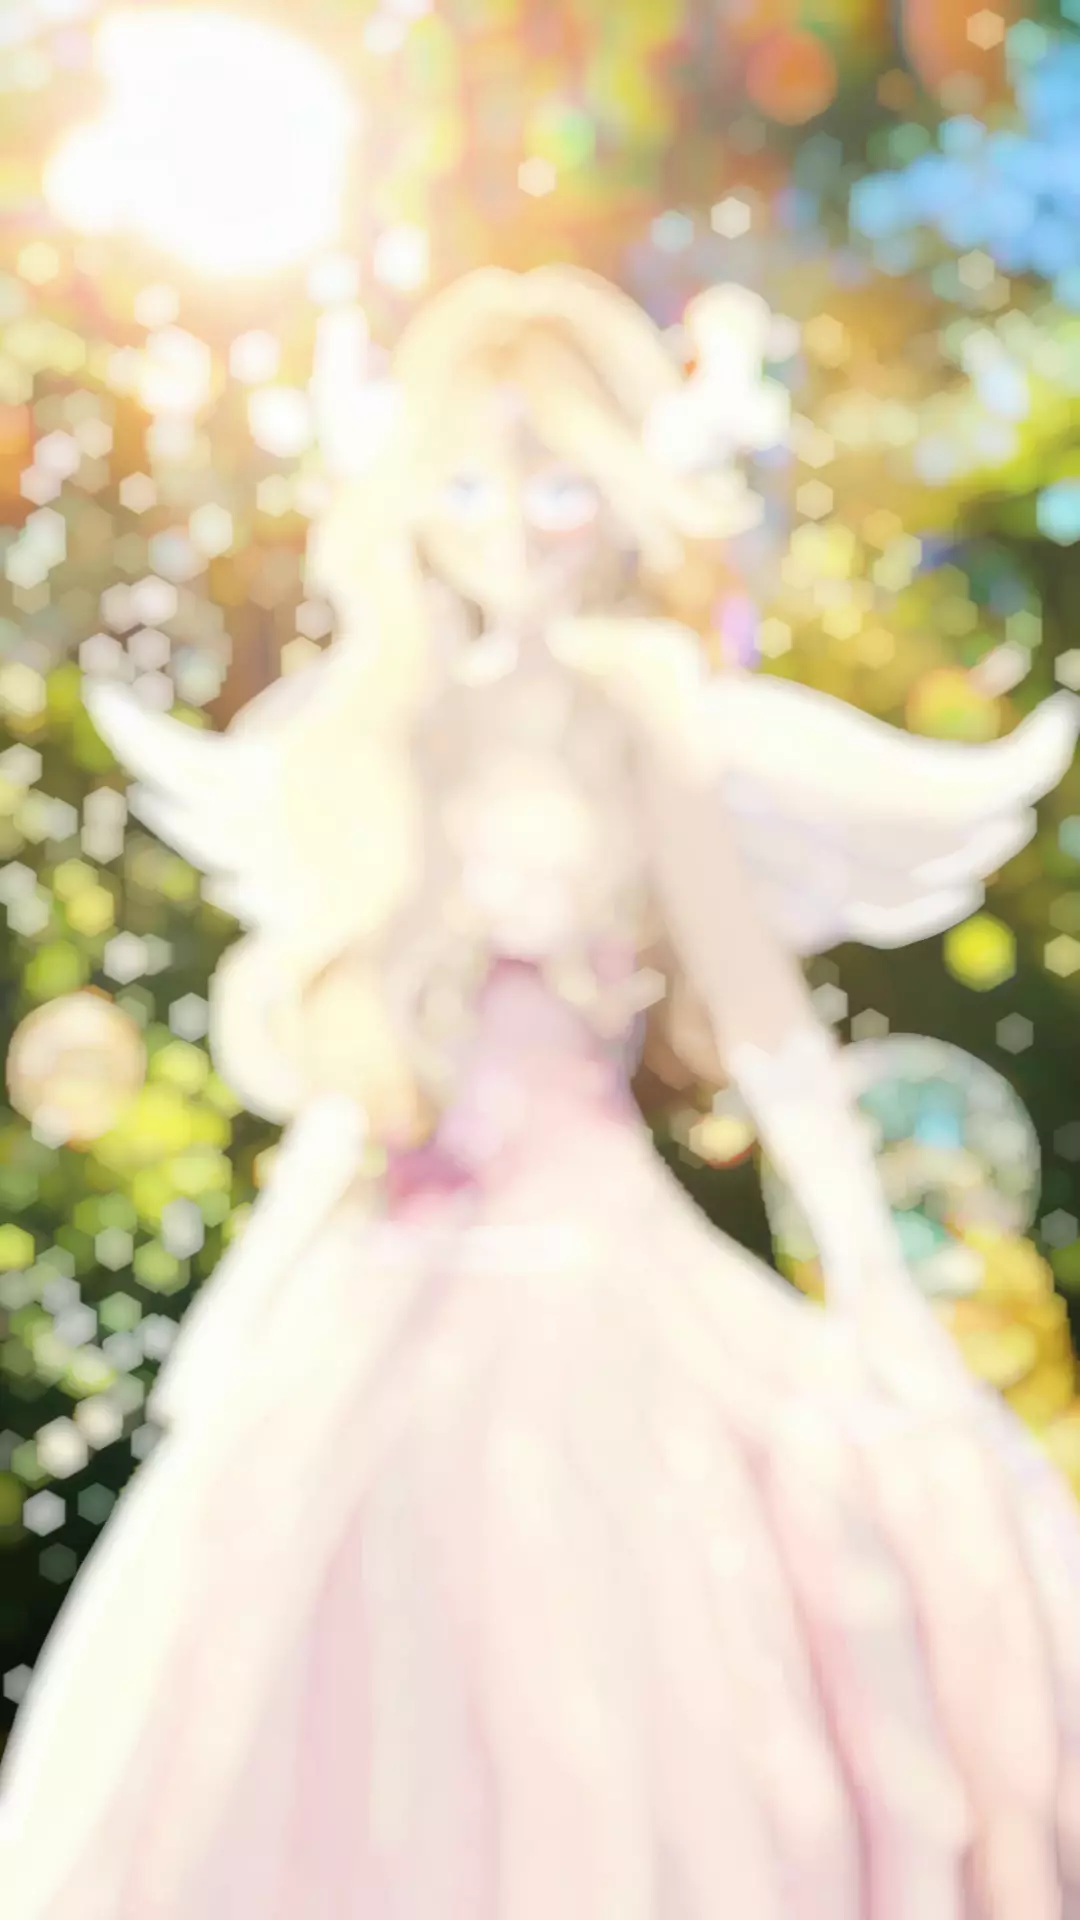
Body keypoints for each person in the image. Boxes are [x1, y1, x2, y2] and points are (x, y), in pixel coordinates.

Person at [3, 262, 1080, 1919]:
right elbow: (356, 1098)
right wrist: (246, 1295)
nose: (512, 523)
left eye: (560, 482)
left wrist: (873, 1279)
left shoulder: (640, 707)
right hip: (391, 1264)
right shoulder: (384, 726)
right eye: (468, 483)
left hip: (600, 1255)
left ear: (626, 489)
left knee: (653, 1664)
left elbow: (763, 1017)